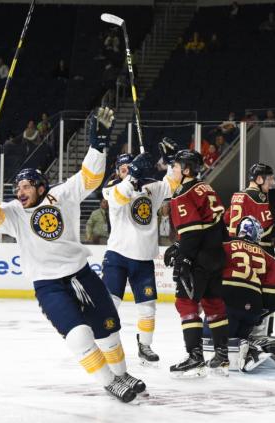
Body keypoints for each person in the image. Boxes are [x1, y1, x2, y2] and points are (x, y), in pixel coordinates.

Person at [0, 107, 146, 403]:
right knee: (78, 335)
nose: (20, 190)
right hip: (48, 284)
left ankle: (121, 373)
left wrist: (97, 145)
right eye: (17, 186)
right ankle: (108, 382)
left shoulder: (61, 195)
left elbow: (89, 178)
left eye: (26, 185)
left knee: (108, 328)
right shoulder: (13, 213)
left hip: (81, 274)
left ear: (41, 187)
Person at [101, 138, 179, 366]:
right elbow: (121, 197)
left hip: (144, 258)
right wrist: (132, 175)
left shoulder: (150, 188)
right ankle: (107, 344)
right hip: (117, 256)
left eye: (130, 167)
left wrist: (172, 161)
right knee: (110, 305)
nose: (126, 171)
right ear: (118, 171)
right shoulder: (111, 188)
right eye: (123, 169)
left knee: (147, 309)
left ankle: (145, 345)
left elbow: (173, 184)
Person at [163, 149, 229, 378]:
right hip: (216, 254)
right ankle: (221, 357)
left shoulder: (183, 193)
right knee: (213, 303)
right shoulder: (206, 187)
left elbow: (191, 232)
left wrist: (185, 258)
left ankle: (195, 357)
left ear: (187, 170)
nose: (173, 170)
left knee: (185, 303)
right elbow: (221, 227)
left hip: (199, 256)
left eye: (177, 166)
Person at [220, 216, 275, 372]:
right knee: (242, 332)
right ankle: (253, 344)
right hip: (252, 308)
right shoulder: (267, 256)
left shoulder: (226, 245)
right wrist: (263, 311)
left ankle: (247, 348)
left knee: (212, 337)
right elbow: (274, 292)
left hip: (228, 302)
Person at [223, 163, 275, 335]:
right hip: (258, 251)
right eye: (270, 179)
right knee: (266, 292)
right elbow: (264, 229)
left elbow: (226, 219)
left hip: (234, 250)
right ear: (259, 179)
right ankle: (260, 333)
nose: (272, 183)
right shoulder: (258, 197)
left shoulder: (237, 195)